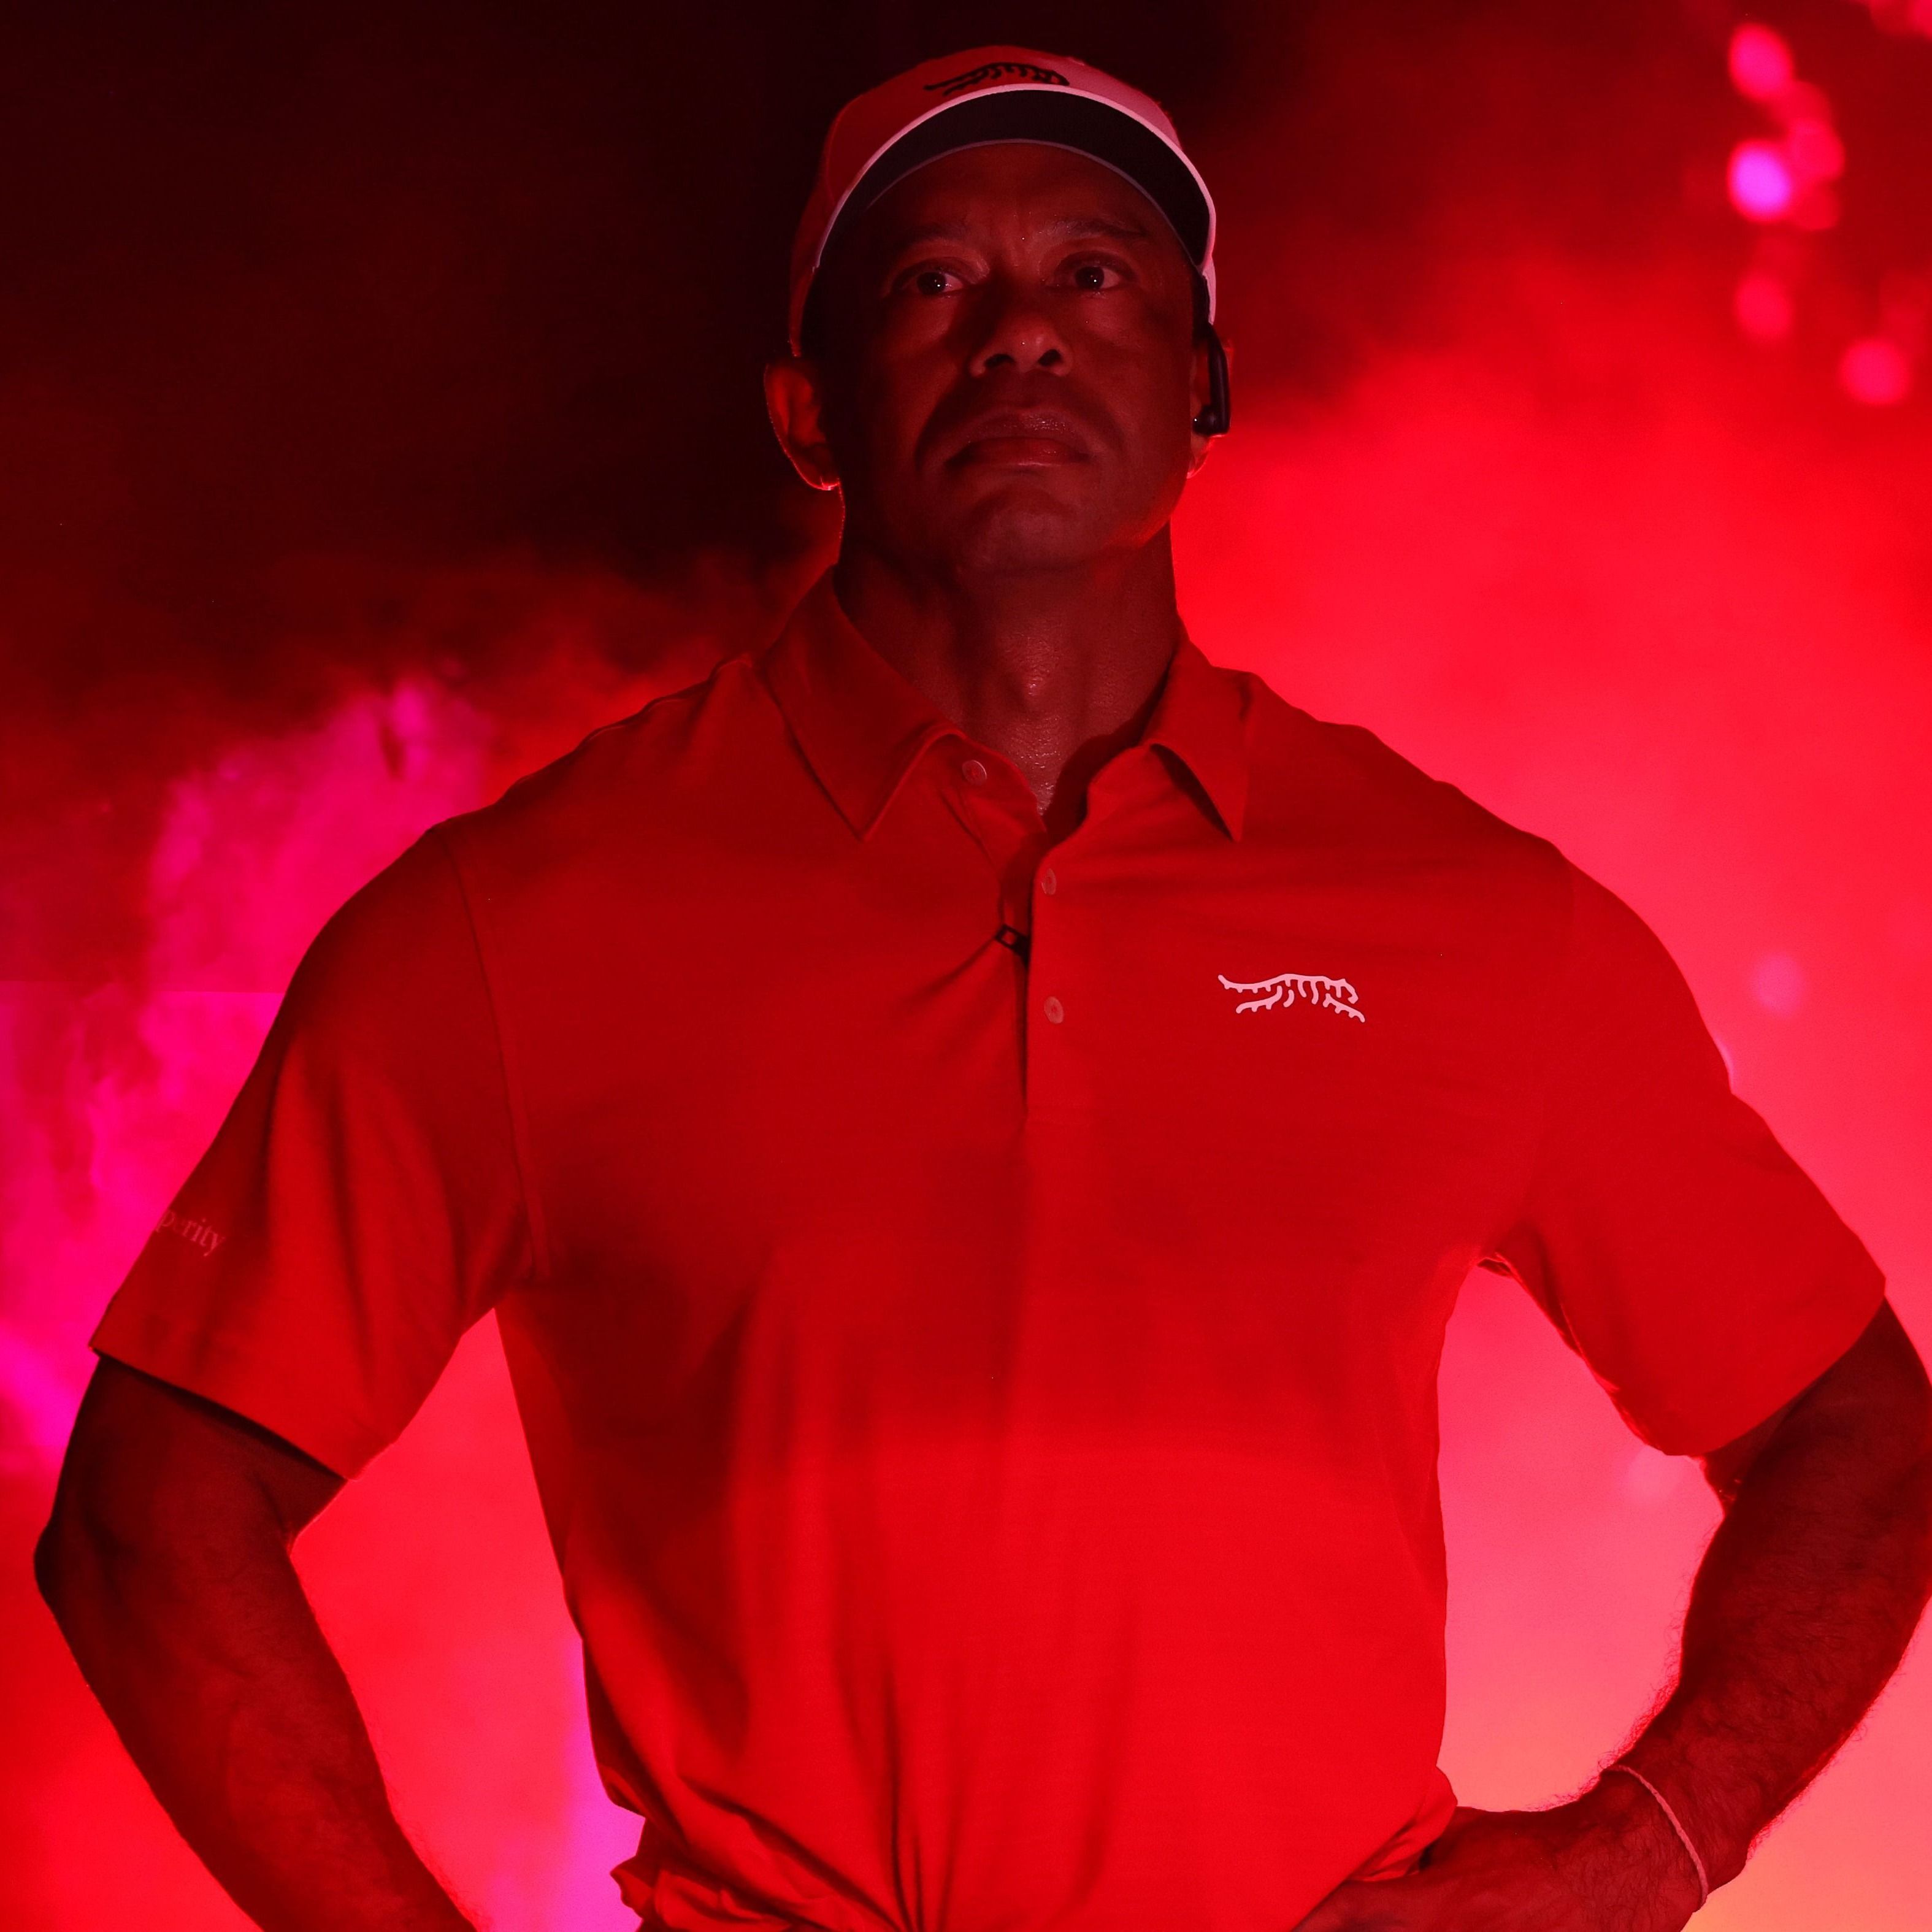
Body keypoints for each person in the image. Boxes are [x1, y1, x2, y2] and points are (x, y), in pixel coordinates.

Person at [36, 44, 1932, 1932]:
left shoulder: (1473, 918)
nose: (1021, 329)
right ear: (808, 413)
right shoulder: (521, 922)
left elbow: (1861, 1437)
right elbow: (145, 1516)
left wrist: (1642, 1851)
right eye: (933, 279)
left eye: (1096, 272)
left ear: (1205, 385)